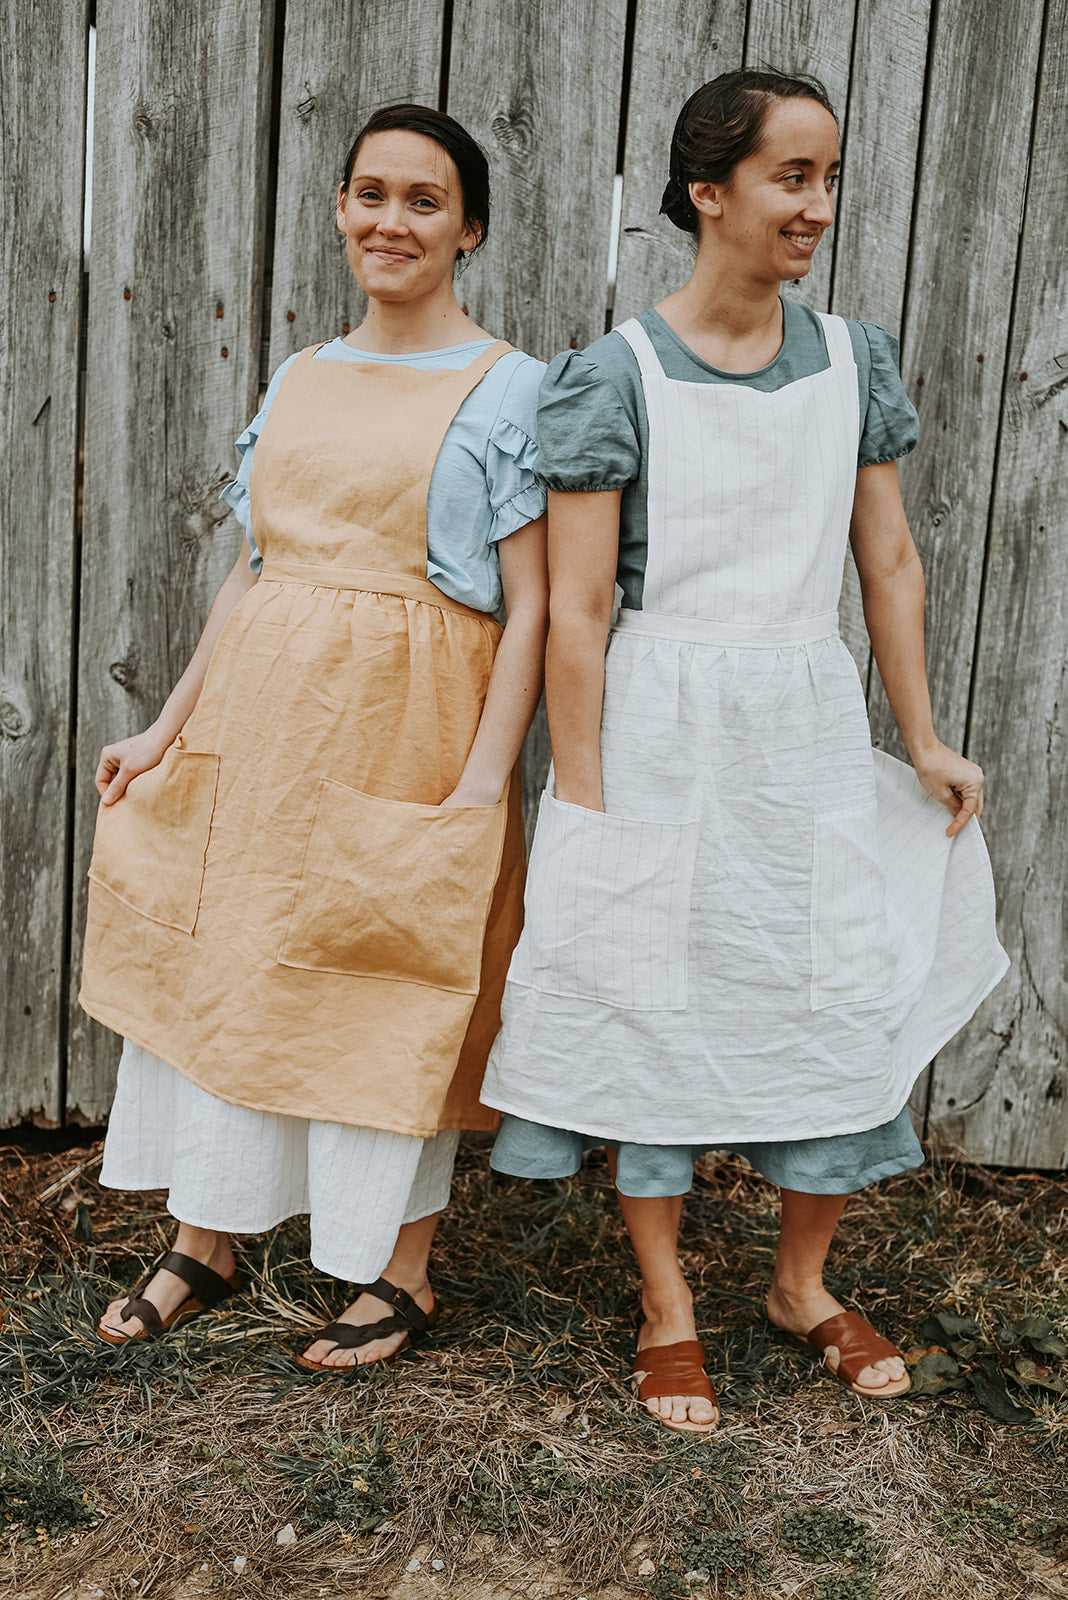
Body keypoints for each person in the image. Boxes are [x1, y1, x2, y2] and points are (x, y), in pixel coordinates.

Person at [482, 71, 1007, 1433]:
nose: (817, 206)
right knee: (654, 986)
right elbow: (583, 609)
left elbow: (886, 560)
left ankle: (800, 1281)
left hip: (805, 721)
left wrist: (926, 735)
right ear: (709, 192)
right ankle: (668, 1303)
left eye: (828, 178)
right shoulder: (619, 373)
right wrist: (588, 793)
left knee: (828, 978)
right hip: (661, 717)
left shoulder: (850, 360)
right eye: (792, 177)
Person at [78, 103, 548, 1369]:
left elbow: (537, 607)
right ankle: (205, 1237)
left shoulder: (510, 390)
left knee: (383, 974)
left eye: (424, 200)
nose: (392, 220)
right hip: (263, 720)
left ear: (471, 228)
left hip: (411, 724)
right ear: (342, 210)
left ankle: (402, 1269)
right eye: (371, 195)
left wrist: (483, 784)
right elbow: (251, 570)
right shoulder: (301, 372)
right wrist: (169, 726)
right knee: (226, 963)